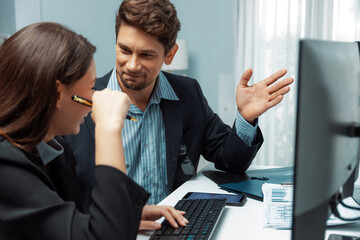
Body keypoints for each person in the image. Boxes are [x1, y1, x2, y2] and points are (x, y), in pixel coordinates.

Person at [65, 0, 294, 214]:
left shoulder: (187, 94)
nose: (132, 65)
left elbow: (231, 163)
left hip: (174, 228)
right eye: (125, 50)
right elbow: (63, 204)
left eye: (146, 55)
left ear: (170, 55)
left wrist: (245, 118)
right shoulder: (81, 101)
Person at [0, 22, 188, 239]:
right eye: (91, 88)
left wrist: (127, 215)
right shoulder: (6, 164)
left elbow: (66, 223)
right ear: (58, 94)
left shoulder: (56, 151)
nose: (95, 96)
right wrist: (109, 129)